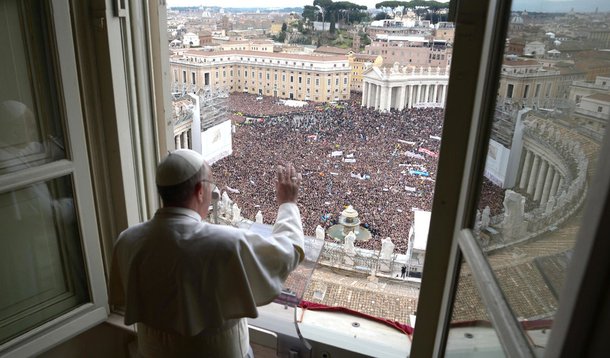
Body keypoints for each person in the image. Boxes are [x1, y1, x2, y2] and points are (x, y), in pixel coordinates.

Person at [109, 149, 304, 357]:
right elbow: (287, 251)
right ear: (200, 190)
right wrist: (288, 204)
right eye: (211, 185)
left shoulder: (127, 240)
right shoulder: (227, 243)